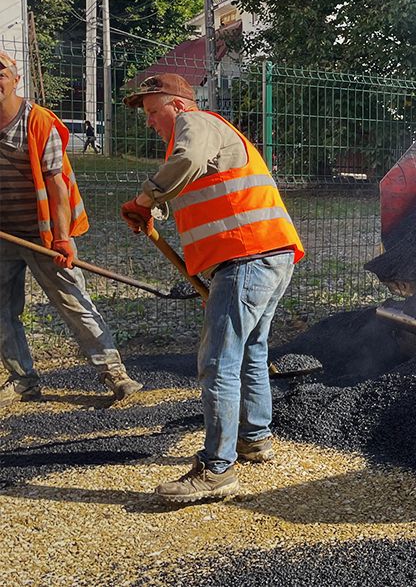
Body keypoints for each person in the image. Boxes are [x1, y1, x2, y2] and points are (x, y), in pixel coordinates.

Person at [121, 73, 304, 502]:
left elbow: (185, 163)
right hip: (269, 253)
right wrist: (156, 210)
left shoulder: (196, 123)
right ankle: (254, 439)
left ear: (178, 105)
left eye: (153, 112)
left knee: (218, 359)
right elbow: (195, 180)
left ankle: (217, 469)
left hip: (247, 258)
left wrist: (145, 199)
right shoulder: (204, 136)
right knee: (250, 350)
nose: (150, 122)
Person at [0, 50, 142, 407]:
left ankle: (115, 375)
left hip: (43, 233)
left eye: (0, 72)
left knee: (73, 303)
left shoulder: (37, 122)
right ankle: (23, 382)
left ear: (17, 80)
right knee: (1, 311)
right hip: (2, 234)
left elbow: (56, 184)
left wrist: (62, 238)